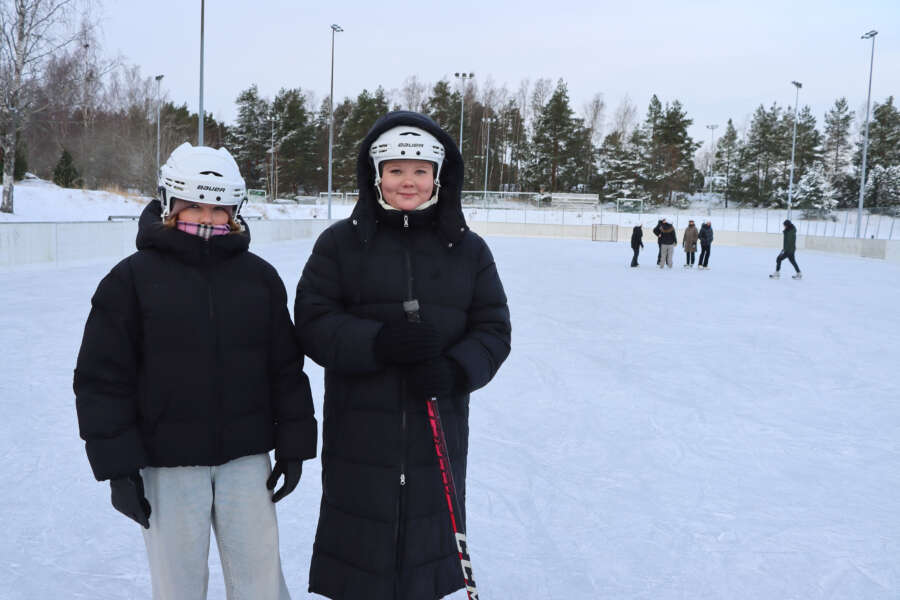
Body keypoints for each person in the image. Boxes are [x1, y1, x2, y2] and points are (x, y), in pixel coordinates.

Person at [74, 143, 317, 600]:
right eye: (193, 206)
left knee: (260, 579)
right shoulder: (131, 280)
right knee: (178, 585)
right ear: (169, 203)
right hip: (167, 462)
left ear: (235, 211)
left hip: (246, 461)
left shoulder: (259, 278)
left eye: (218, 208)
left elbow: (285, 369)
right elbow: (102, 379)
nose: (206, 218)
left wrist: (294, 445)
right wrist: (118, 468)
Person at [294, 111, 511, 600]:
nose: (407, 182)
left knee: (424, 564)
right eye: (395, 170)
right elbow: (312, 320)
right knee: (360, 563)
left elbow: (494, 330)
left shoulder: (468, 250)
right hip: (360, 436)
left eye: (419, 171)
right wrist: (377, 342)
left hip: (438, 430)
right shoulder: (341, 244)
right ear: (375, 176)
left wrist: (455, 370)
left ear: (439, 176)